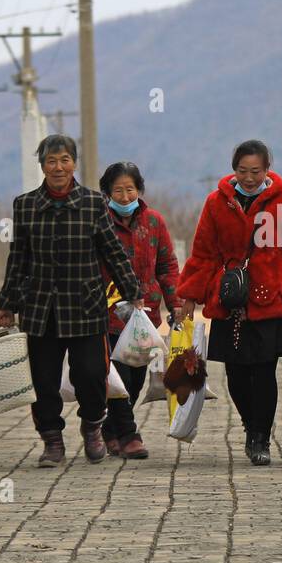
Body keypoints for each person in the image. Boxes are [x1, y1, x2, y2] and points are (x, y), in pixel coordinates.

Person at [0, 135, 145, 467]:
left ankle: (93, 427)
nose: (58, 167)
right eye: (51, 161)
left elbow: (113, 252)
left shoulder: (93, 204)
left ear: (74, 163)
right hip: (40, 309)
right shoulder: (26, 205)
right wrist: (7, 302)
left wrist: (133, 293)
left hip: (86, 307)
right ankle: (52, 441)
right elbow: (18, 257)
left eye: (64, 160)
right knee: (43, 380)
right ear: (42, 166)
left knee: (92, 374)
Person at [176, 140, 282, 466]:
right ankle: (250, 424)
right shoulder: (216, 203)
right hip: (230, 300)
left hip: (269, 301)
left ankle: (260, 437)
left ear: (267, 170)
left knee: (264, 371)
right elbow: (203, 254)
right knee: (236, 373)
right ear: (233, 169)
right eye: (242, 171)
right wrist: (190, 296)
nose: (249, 178)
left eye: (255, 171)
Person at [99, 161, 181, 459]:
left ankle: (109, 429)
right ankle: (130, 434)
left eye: (129, 189)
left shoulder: (154, 222)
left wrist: (176, 304)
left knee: (134, 378)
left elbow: (167, 266)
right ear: (107, 193)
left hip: (145, 315)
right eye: (117, 190)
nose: (124, 196)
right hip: (107, 313)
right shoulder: (99, 221)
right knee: (117, 373)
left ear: (139, 190)